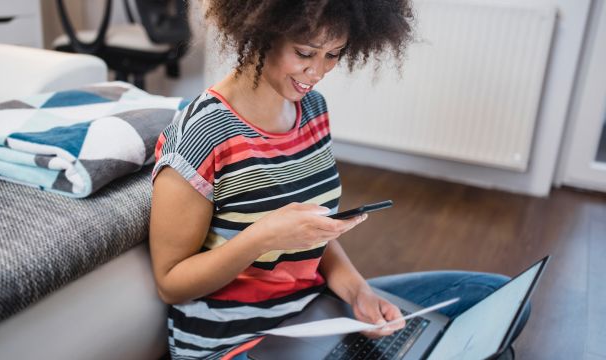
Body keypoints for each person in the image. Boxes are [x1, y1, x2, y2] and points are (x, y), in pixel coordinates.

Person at [149, 1, 529, 359]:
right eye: (304, 53)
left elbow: (314, 235)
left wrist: (359, 292)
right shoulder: (202, 134)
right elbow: (171, 282)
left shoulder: (312, 110)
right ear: (264, 31)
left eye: (333, 54)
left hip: (313, 315)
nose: (318, 72)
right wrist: (263, 237)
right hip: (234, 342)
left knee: (495, 297)